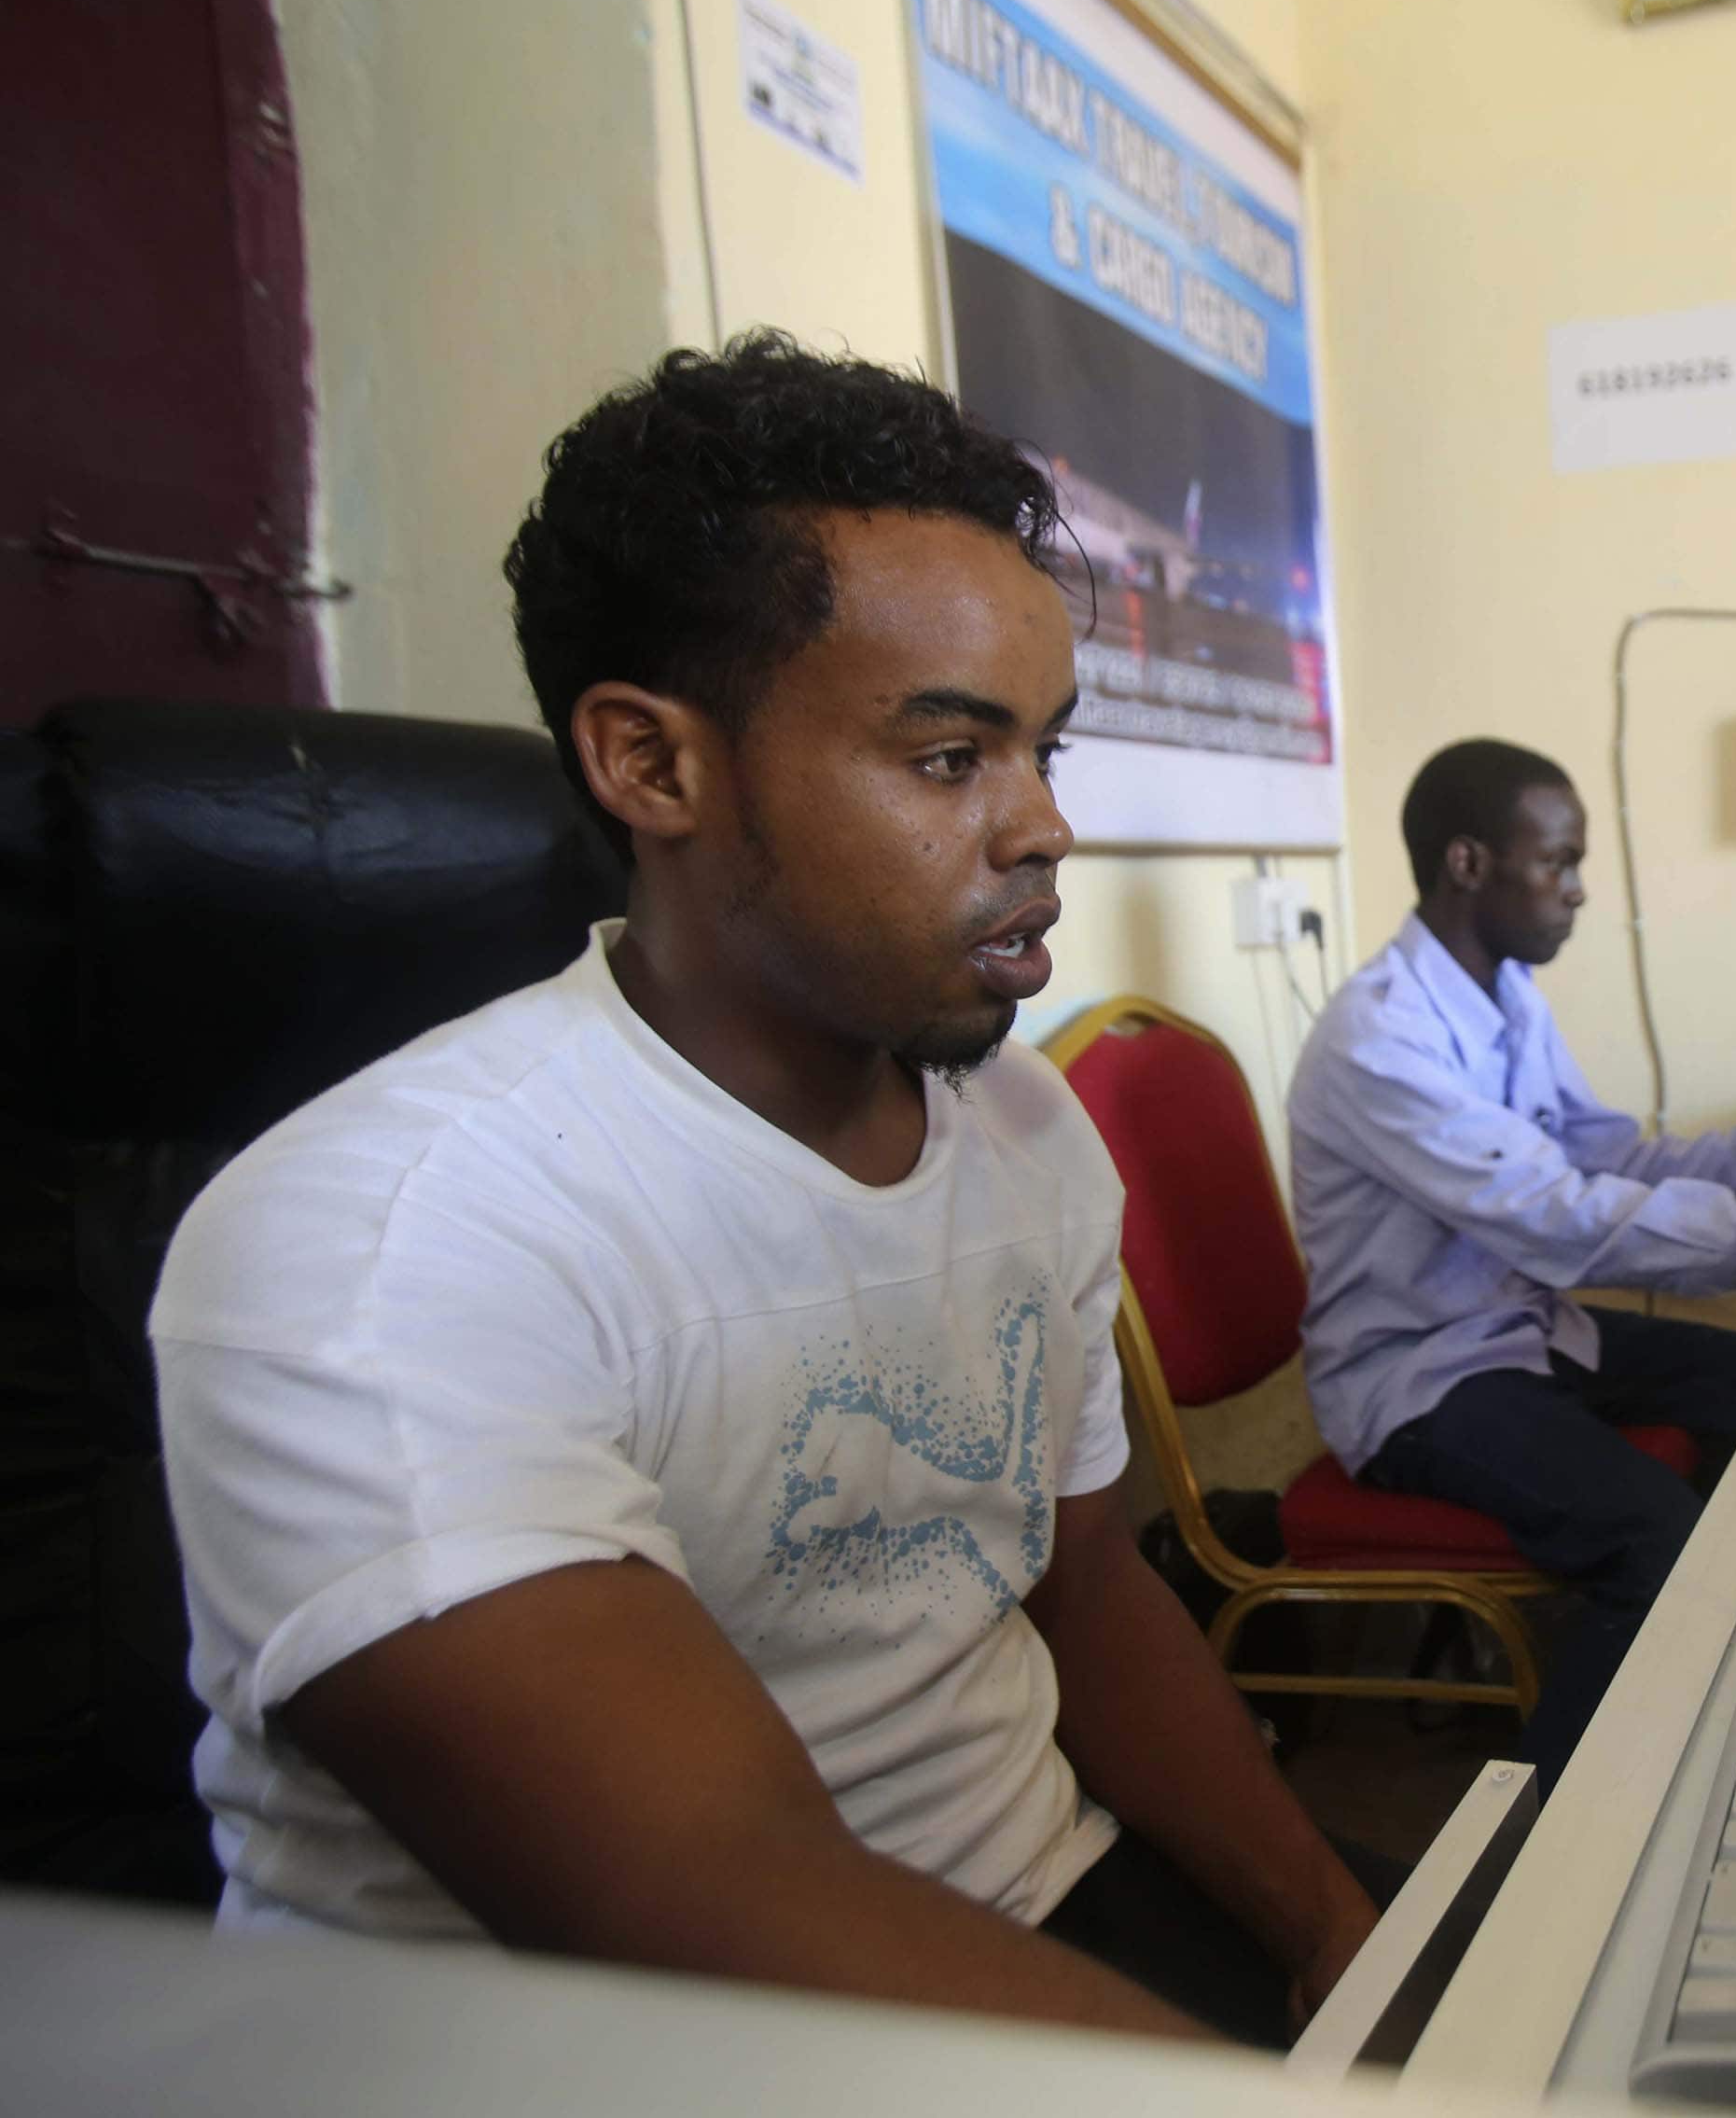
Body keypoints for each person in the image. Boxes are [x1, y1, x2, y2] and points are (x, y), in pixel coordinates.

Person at [150, 335, 1380, 2049]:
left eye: (1045, 751)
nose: (1041, 829)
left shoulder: (1027, 1130)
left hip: (1038, 1905)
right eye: (951, 759)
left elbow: (1081, 1585)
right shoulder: (387, 1240)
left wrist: (1344, 1941)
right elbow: (700, 1890)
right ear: (653, 765)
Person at [1286, 739, 1736, 1788]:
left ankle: (1716, 1700)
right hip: (1418, 1375)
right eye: (1558, 862)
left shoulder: (1507, 995)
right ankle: (1542, 1835)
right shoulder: (1377, 1036)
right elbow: (1562, 1223)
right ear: (1468, 863)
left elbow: (1607, 1153)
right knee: (1656, 1537)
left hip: (1520, 1329)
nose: (1578, 891)